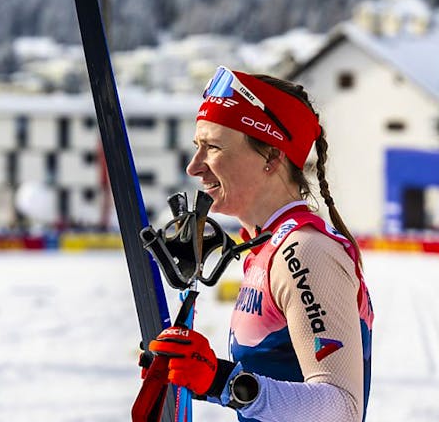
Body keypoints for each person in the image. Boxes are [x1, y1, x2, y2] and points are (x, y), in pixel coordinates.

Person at [146, 66, 374, 421]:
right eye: (197, 147)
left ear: (271, 155)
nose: (194, 166)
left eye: (213, 147)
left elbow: (341, 409)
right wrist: (188, 370)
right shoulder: (267, 248)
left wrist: (221, 382)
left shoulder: (305, 251)